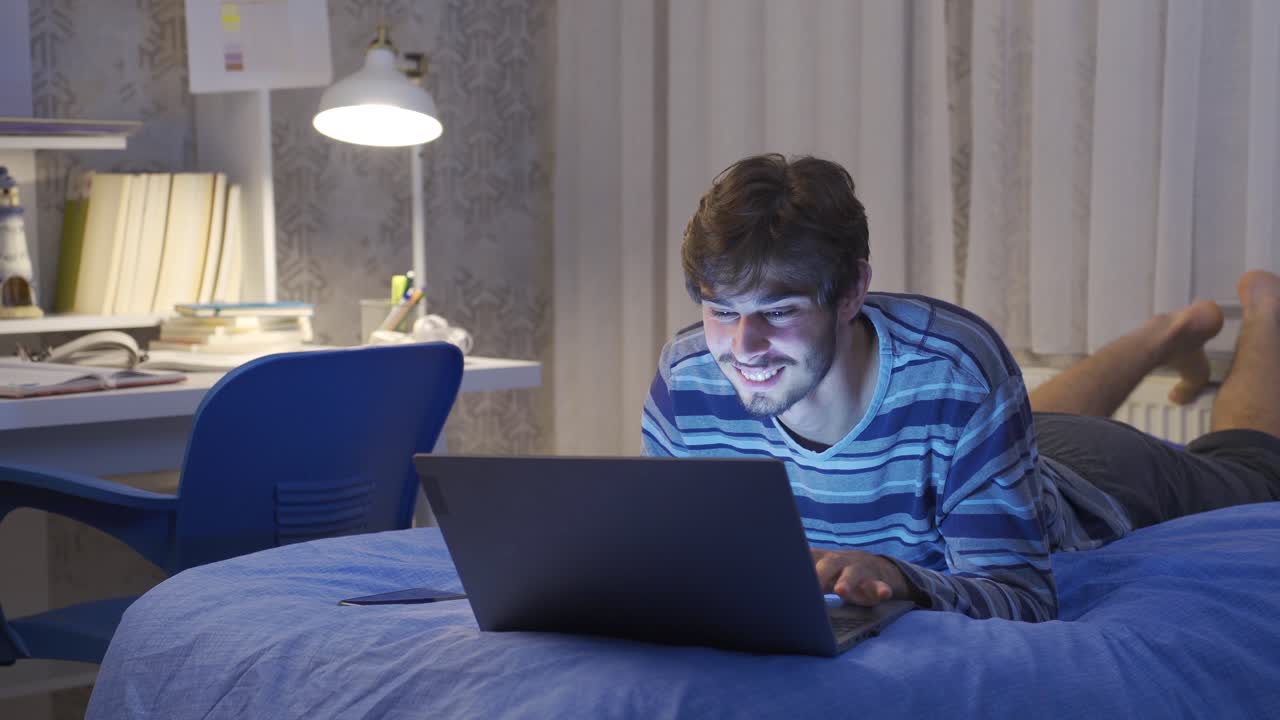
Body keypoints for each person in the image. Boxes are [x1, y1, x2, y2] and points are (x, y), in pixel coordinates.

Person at [641, 153, 1280, 622]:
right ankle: (1167, 333)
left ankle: (1266, 308)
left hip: (1096, 484)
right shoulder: (687, 376)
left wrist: (900, 577)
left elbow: (1024, 594)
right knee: (1030, 428)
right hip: (999, 457)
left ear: (853, 291)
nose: (742, 347)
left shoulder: (952, 368)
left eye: (779, 313)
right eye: (722, 310)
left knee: (1251, 469)